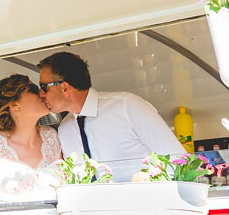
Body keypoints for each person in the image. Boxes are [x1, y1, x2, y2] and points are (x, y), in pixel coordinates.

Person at [37, 51, 184, 167]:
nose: (41, 94)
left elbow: (178, 160)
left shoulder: (128, 106)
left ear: (64, 88)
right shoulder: (65, 129)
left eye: (44, 87)